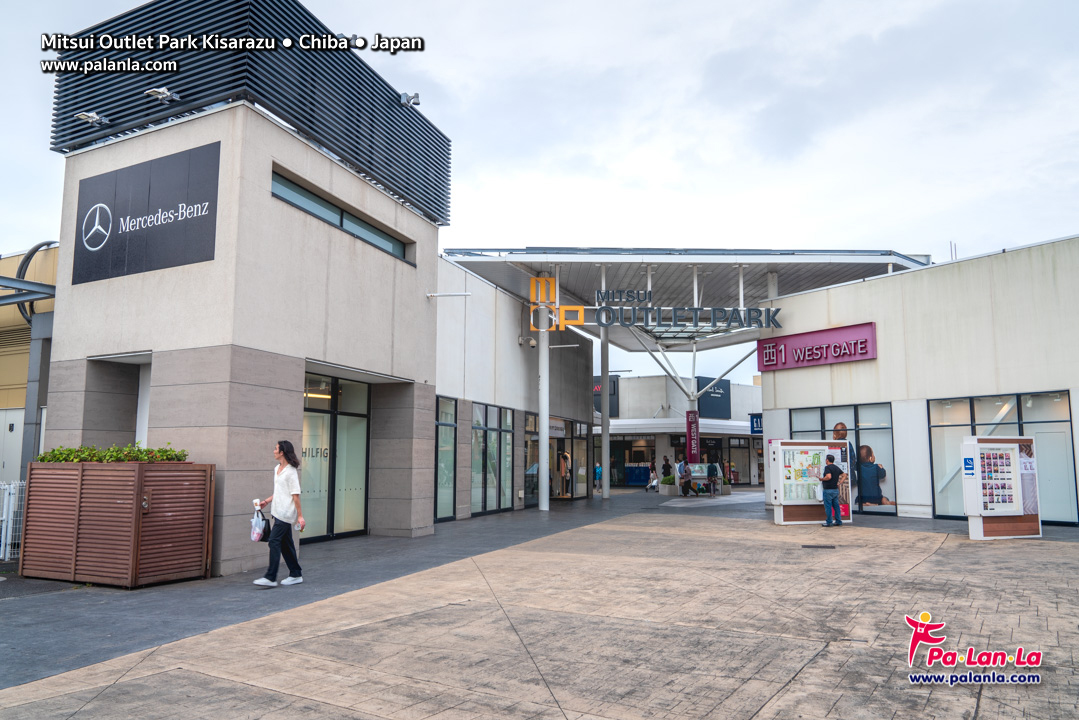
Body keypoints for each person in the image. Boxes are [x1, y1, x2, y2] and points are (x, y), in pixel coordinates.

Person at [254, 440, 305, 587]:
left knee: (274, 541)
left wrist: (300, 516)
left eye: (276, 449)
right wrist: (267, 501)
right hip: (277, 511)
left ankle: (270, 577)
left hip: (286, 513)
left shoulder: (291, 472)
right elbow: (279, 492)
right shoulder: (277, 468)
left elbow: (295, 495)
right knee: (286, 544)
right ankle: (296, 574)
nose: (274, 451)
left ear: (282, 452)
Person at [820, 454, 843, 527]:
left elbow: (828, 477)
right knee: (836, 506)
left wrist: (822, 479)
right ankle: (838, 521)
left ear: (827, 460)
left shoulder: (827, 467)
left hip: (828, 490)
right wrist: (840, 482)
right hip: (835, 490)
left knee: (828, 507)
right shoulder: (836, 467)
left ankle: (829, 522)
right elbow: (844, 475)